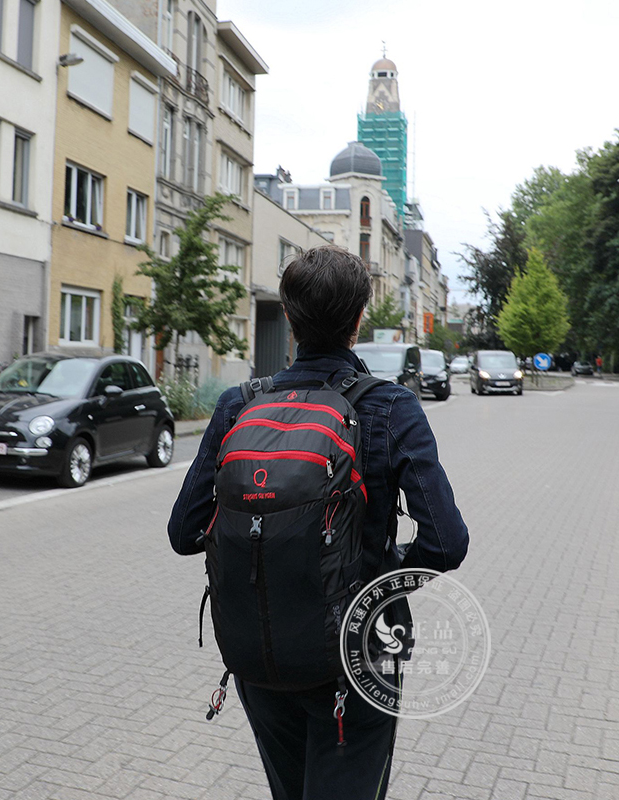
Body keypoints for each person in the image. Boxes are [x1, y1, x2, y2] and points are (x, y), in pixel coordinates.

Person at [168, 245, 469, 800]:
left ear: (288, 318)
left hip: (259, 648)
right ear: (359, 320)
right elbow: (447, 542)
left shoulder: (240, 404)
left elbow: (183, 532)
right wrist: (385, 570)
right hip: (358, 658)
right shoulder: (390, 407)